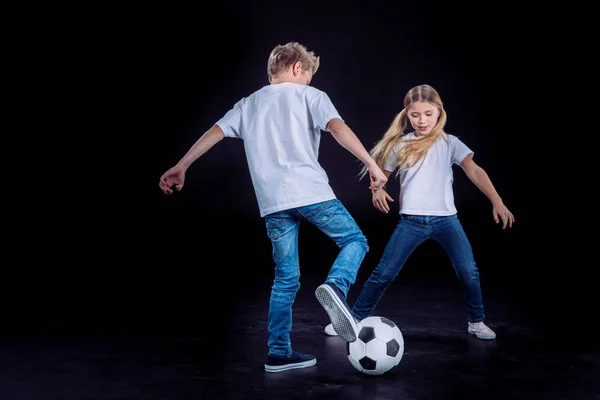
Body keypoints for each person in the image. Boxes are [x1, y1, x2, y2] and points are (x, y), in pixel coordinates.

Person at [158, 42, 388, 372]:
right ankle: (336, 286)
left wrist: (182, 166)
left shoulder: (247, 104)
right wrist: (372, 165)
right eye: (308, 75)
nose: (309, 81)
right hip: (311, 193)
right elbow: (337, 128)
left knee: (285, 278)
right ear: (298, 68)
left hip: (272, 204)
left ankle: (278, 352)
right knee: (355, 241)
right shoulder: (312, 96)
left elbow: (215, 132)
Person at [323, 84, 514, 340]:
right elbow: (381, 175)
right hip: (411, 222)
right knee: (384, 273)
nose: (421, 120)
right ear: (406, 114)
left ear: (439, 112)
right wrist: (376, 190)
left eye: (427, 113)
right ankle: (352, 319)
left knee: (469, 272)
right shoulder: (401, 145)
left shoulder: (450, 143)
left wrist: (497, 200)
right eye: (415, 115)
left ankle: (476, 321)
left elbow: (474, 170)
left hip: (446, 220)